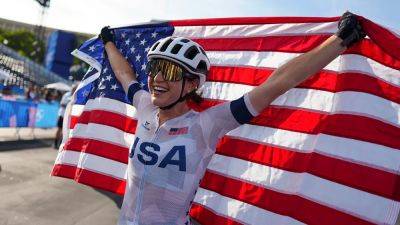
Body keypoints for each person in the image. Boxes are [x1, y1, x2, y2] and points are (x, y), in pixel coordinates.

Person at [100, 12, 365, 225]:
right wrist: (108, 41)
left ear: (192, 84)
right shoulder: (145, 105)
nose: (157, 79)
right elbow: (124, 74)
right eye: (155, 68)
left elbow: (277, 84)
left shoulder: (206, 124)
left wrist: (339, 41)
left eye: (169, 71)